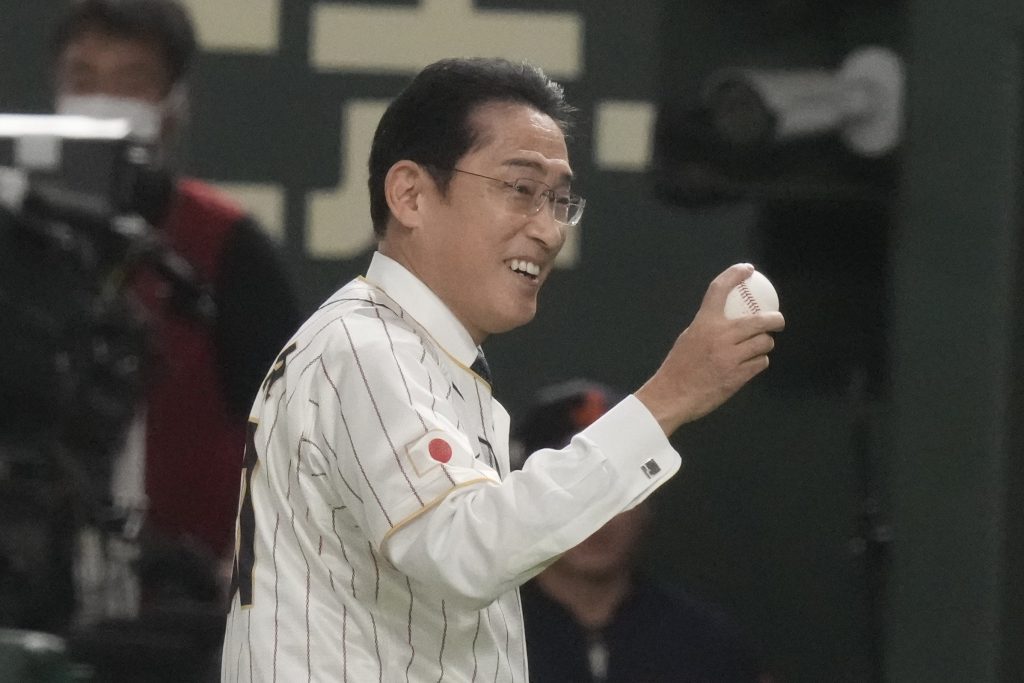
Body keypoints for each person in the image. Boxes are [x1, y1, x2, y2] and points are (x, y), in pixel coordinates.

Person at [220, 56, 785, 682]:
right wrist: (670, 396)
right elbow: (466, 549)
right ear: (409, 194)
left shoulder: (408, 350)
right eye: (519, 189)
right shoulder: (367, 347)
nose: (547, 229)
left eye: (560, 200)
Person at [51, 0, 303, 564]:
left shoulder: (226, 246)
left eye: (130, 81)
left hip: (183, 587)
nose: (102, 101)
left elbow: (295, 435)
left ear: (173, 104)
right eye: (83, 78)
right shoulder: (20, 238)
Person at [513, 380, 772, 683]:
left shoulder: (707, 646)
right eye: (575, 489)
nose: (600, 514)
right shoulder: (481, 636)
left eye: (620, 490)